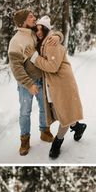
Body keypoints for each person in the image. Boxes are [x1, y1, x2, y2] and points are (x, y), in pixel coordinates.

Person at [24, 15, 87, 159]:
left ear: (47, 30)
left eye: (42, 29)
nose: (38, 32)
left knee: (64, 113)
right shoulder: (43, 41)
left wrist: (34, 57)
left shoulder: (51, 42)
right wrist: (59, 35)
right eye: (36, 29)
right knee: (62, 112)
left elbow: (52, 66)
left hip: (62, 83)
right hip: (53, 84)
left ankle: (57, 143)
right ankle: (78, 126)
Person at [8, 9, 62, 156]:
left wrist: (58, 36)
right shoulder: (16, 41)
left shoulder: (34, 32)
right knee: (25, 112)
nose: (34, 18)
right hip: (26, 84)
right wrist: (28, 84)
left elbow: (50, 33)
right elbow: (16, 67)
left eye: (33, 16)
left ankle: (45, 131)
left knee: (44, 108)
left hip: (41, 79)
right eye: (30, 17)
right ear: (23, 21)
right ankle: (24, 140)